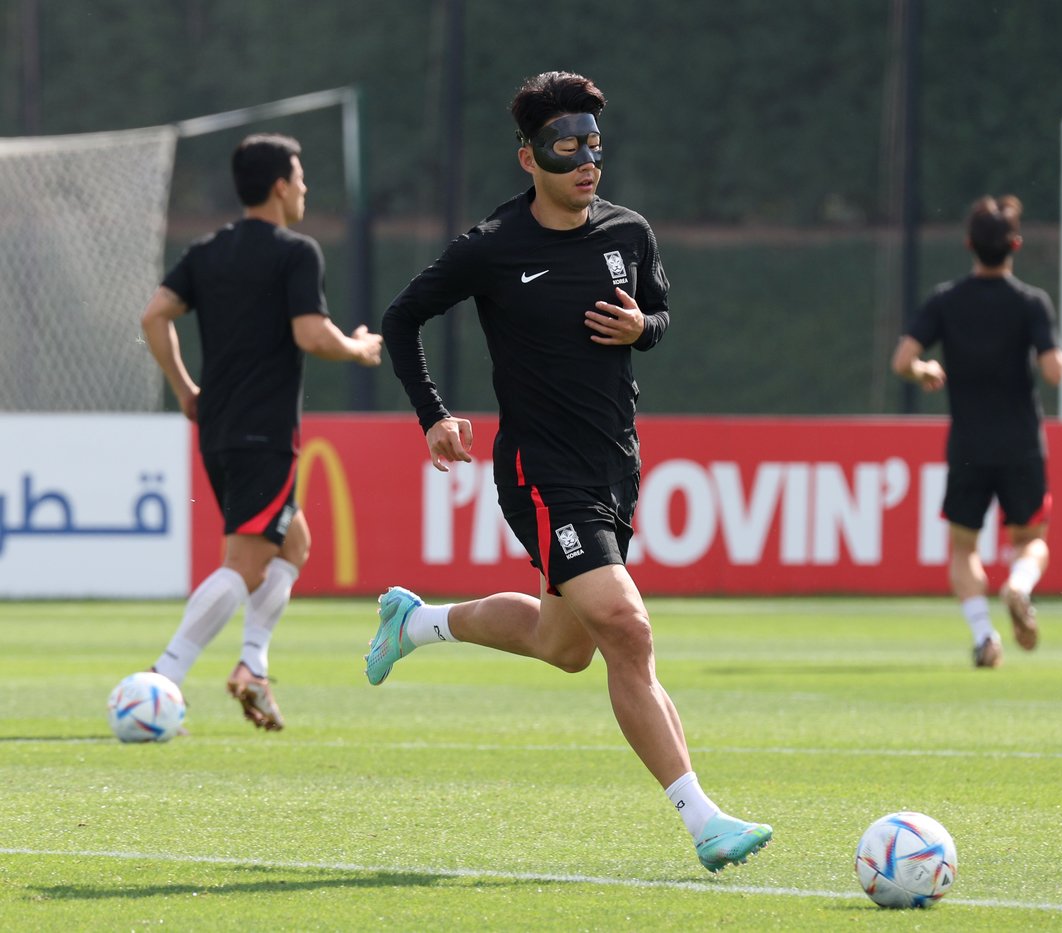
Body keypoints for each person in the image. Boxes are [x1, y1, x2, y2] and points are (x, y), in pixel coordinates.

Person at [371, 71, 772, 872]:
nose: (587, 160)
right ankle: (704, 821)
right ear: (528, 159)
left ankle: (416, 621)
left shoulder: (630, 232)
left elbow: (657, 314)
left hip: (616, 465)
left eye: (594, 143)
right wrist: (434, 413)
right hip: (540, 470)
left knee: (566, 645)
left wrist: (643, 327)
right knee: (627, 629)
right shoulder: (493, 248)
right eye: (566, 147)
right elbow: (401, 318)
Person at [140, 133, 383, 729]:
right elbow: (309, 334)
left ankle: (252, 666)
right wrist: (356, 348)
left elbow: (154, 317)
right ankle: (160, 681)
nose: (305, 187)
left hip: (219, 427)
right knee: (245, 562)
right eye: (300, 177)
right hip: (264, 432)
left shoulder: (207, 251)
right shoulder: (295, 252)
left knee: (292, 544)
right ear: (280, 185)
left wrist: (185, 390)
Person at [891, 195, 1062, 669]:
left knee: (965, 546)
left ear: (969, 244)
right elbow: (1053, 371)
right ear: (1016, 244)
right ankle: (1020, 585)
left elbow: (902, 361)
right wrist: (1054, 357)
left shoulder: (947, 300)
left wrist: (926, 369)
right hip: (1022, 444)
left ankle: (984, 634)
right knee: (1031, 539)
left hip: (969, 444)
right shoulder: (1032, 303)